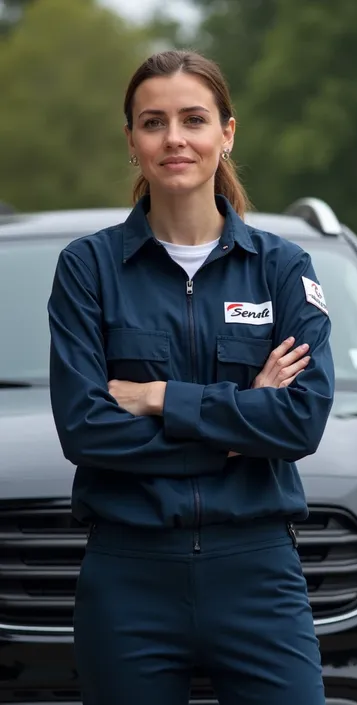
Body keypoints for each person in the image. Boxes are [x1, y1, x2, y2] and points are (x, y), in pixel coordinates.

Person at [48, 49, 334, 705]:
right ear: (131, 140)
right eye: (153, 122)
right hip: (129, 579)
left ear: (227, 132)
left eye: (193, 119)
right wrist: (240, 424)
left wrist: (156, 398)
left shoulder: (282, 268)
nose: (174, 138)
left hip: (258, 574)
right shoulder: (88, 270)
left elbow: (300, 419)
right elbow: (87, 431)